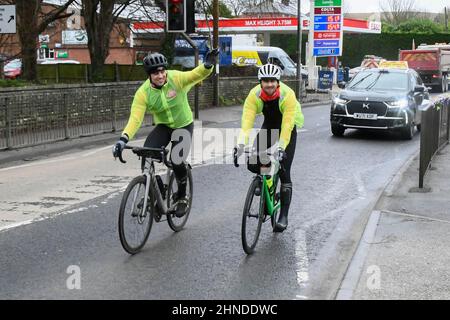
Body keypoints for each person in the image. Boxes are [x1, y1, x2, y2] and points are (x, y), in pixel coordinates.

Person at [113, 49, 218, 217]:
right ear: (149, 75)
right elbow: (135, 119)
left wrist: (207, 66)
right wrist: (122, 139)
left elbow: (194, 75)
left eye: (162, 71)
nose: (161, 76)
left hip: (184, 125)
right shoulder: (143, 93)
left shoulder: (176, 78)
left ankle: (182, 196)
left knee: (177, 161)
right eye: (155, 73)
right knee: (147, 155)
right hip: (164, 126)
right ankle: (158, 191)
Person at [234, 63, 304, 232]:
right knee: (254, 160)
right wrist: (241, 144)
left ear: (278, 81)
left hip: (288, 127)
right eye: (266, 81)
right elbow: (247, 122)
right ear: (260, 82)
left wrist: (281, 148)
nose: (269, 84)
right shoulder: (255, 95)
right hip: (270, 126)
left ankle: (283, 216)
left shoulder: (288, 95)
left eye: (273, 81)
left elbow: (287, 125)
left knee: (284, 170)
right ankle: (266, 183)